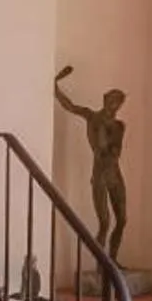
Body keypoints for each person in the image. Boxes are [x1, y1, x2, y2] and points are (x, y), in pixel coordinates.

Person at [53, 66, 128, 265]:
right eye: (110, 101)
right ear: (105, 100)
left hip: (115, 175)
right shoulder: (91, 116)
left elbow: (115, 151)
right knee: (104, 223)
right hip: (101, 177)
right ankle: (101, 265)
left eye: (117, 103)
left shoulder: (119, 126)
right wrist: (55, 86)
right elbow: (69, 106)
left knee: (122, 220)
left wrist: (108, 147)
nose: (113, 106)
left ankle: (112, 261)